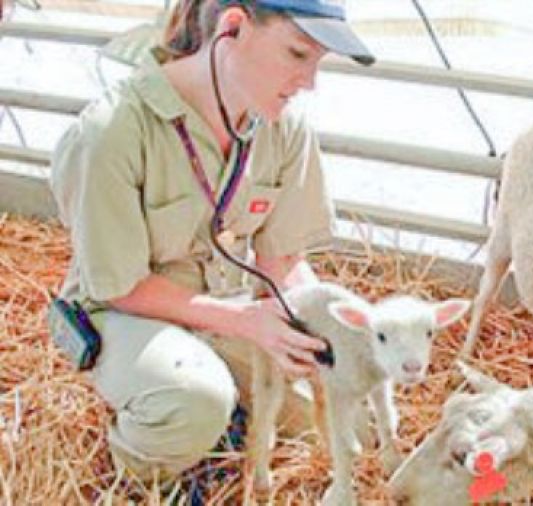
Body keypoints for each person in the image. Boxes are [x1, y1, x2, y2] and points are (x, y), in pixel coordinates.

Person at [49, 0, 374, 484]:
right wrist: (245, 321)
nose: (310, 82)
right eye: (297, 54)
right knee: (193, 400)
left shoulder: (284, 128)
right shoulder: (111, 131)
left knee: (351, 419)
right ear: (233, 27)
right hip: (126, 312)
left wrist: (332, 328)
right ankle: (136, 480)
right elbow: (120, 286)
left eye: (319, 62)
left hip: (228, 311)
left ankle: (223, 423)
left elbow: (283, 262)